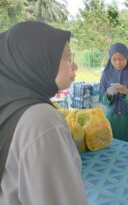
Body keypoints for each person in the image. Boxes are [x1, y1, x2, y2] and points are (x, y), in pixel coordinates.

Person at [0, 21, 87, 204]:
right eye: (67, 57)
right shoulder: (41, 120)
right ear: (38, 60)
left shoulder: (10, 106)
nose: (75, 65)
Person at [99, 43, 128, 146]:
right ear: (110, 59)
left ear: (127, 58)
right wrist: (108, 94)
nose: (118, 63)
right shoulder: (106, 75)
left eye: (121, 59)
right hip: (112, 119)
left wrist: (127, 93)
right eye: (114, 59)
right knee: (112, 151)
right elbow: (101, 98)